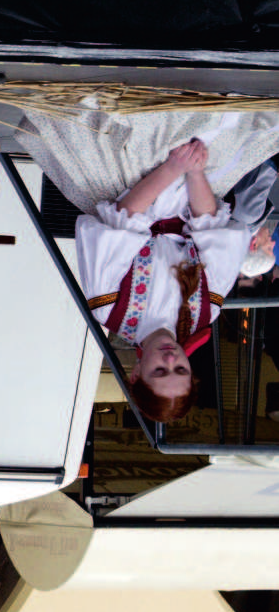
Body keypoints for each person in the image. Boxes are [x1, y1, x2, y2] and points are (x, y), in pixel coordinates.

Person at [16, 108, 279, 422]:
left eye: (159, 370)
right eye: (180, 368)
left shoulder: (111, 309)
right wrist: (194, 172)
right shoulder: (206, 312)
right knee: (235, 118)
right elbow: (213, 229)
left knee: (148, 115)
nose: (170, 358)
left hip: (131, 181)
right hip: (195, 186)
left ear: (136, 373)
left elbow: (122, 217)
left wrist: (172, 167)